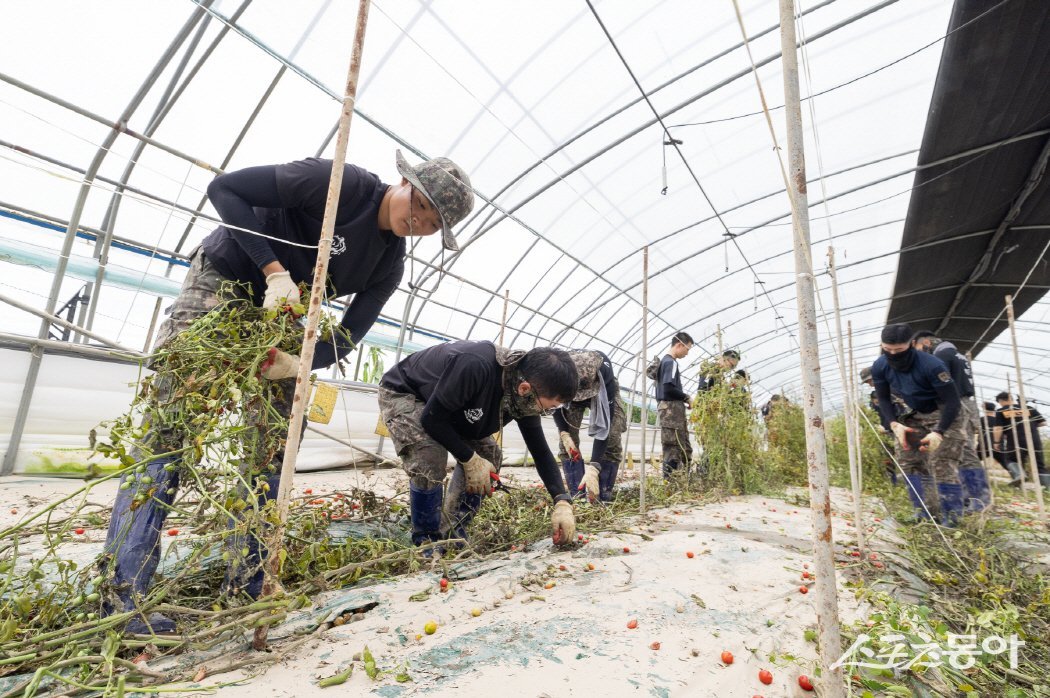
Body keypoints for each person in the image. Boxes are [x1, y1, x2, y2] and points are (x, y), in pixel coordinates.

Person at [101, 152, 474, 634]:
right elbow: (225, 190)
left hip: (282, 323)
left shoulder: (387, 264)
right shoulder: (337, 183)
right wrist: (274, 270)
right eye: (419, 205)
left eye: (430, 224)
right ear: (404, 181)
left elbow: (350, 334)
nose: (417, 221)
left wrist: (302, 362)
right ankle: (124, 598)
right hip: (227, 281)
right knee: (171, 433)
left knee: (272, 448)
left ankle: (249, 585)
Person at [378, 342, 580, 549]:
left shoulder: (525, 396)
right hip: (408, 393)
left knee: (489, 456)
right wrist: (469, 458)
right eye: (550, 407)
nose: (546, 412)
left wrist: (562, 500)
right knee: (430, 456)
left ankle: (452, 534)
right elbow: (433, 419)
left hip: (452, 408)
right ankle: (426, 541)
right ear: (525, 389)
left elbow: (540, 451)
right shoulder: (476, 365)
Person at [870, 323, 965, 524]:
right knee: (907, 460)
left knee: (942, 463)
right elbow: (884, 398)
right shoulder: (880, 366)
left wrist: (939, 432)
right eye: (888, 350)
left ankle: (952, 516)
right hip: (915, 414)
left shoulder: (932, 365)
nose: (893, 354)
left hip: (944, 414)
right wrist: (894, 424)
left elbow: (952, 402)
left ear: (911, 344)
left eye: (899, 350)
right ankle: (925, 512)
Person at [911, 331, 990, 510]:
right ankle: (973, 498)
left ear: (925, 342)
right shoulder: (956, 354)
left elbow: (938, 383)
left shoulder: (941, 355)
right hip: (966, 403)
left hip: (959, 403)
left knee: (964, 450)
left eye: (918, 348)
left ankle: (979, 500)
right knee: (963, 449)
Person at [554, 350, 627, 502]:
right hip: (569, 392)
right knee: (568, 446)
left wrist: (594, 466)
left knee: (613, 439)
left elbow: (605, 426)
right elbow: (555, 404)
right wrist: (564, 433)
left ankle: (602, 497)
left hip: (601, 390)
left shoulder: (605, 376)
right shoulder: (559, 370)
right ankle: (577, 495)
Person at [655, 332, 694, 477]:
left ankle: (677, 483)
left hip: (671, 412)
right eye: (687, 349)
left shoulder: (665, 362)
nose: (687, 353)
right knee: (673, 449)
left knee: (681, 448)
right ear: (679, 345)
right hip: (671, 412)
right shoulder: (670, 363)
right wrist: (687, 397)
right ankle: (670, 485)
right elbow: (668, 388)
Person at [993, 392, 1049, 488]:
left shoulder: (1001, 411)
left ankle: (1019, 474)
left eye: (1000, 402)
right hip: (1034, 440)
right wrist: (1030, 426)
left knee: (1011, 459)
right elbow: (1043, 423)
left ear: (1001, 401)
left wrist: (997, 442)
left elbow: (998, 428)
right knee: (1039, 463)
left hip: (1016, 439)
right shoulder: (1028, 408)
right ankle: (1048, 487)